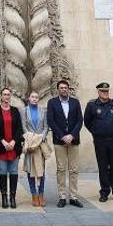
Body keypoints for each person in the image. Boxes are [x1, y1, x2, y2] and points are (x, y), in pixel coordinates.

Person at [85, 82, 113, 203]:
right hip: (100, 140)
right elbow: (87, 122)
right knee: (102, 167)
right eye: (102, 91)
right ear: (98, 92)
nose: (105, 93)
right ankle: (104, 192)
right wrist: (96, 132)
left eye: (106, 91)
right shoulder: (92, 105)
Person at [46, 80, 83, 208]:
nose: (64, 90)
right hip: (59, 141)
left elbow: (80, 120)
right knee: (61, 169)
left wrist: (71, 136)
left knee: (74, 169)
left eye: (66, 88)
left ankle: (73, 197)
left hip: (74, 140)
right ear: (58, 90)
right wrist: (62, 136)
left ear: (69, 89)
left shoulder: (75, 102)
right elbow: (51, 120)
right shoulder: (52, 103)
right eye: (61, 88)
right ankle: (62, 196)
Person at [0, 88, 23, 209]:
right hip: (1, 147)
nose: (6, 96)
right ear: (1, 96)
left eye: (8, 95)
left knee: (14, 172)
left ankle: (12, 197)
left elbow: (19, 128)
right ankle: (4, 197)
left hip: (14, 147)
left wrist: (14, 141)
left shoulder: (15, 111)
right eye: (4, 94)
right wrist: (3, 141)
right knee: (2, 172)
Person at [21, 91, 50, 207]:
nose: (34, 99)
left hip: (40, 144)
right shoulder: (23, 111)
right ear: (29, 98)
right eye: (32, 97)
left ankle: (41, 195)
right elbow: (23, 126)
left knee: (41, 171)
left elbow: (46, 127)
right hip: (30, 144)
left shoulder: (44, 111)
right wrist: (31, 139)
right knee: (30, 170)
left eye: (36, 97)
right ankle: (34, 195)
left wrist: (40, 138)